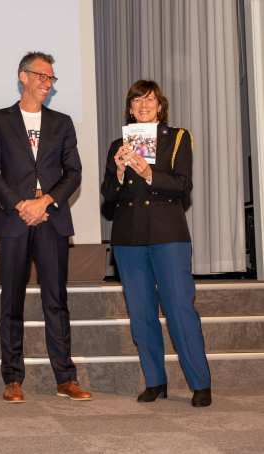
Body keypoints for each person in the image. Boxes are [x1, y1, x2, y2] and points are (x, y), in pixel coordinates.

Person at [0, 51, 91, 403]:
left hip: (51, 220)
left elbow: (74, 172)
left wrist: (45, 202)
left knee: (56, 301)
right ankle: (12, 379)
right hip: (14, 221)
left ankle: (65, 378)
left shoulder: (62, 123)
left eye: (51, 78)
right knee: (11, 301)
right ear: (23, 77)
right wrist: (19, 204)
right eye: (42, 76)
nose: (47, 83)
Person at [101, 79, 212, 407]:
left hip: (168, 235)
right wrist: (120, 173)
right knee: (141, 313)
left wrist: (148, 173)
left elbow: (182, 185)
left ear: (160, 106)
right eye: (137, 101)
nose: (143, 106)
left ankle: (200, 382)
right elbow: (108, 198)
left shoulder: (178, 138)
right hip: (128, 238)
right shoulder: (117, 145)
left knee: (179, 308)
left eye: (149, 100)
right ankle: (155, 381)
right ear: (130, 108)